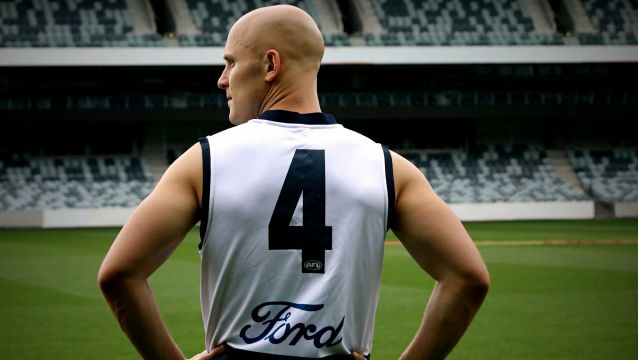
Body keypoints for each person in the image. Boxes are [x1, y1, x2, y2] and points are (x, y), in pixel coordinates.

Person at [98, 4, 489, 360]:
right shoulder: (388, 167)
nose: (221, 80)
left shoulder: (203, 161)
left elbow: (119, 275)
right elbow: (468, 279)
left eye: (231, 62)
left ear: (270, 65)